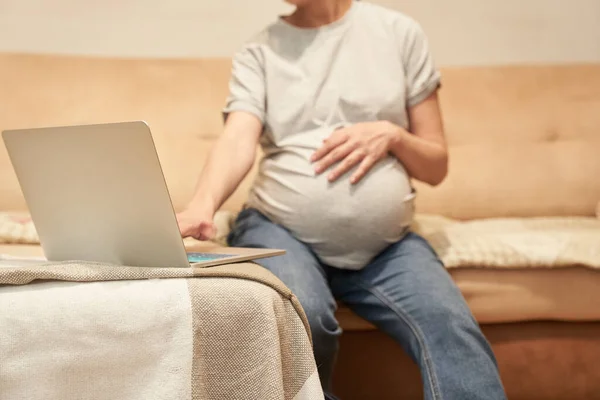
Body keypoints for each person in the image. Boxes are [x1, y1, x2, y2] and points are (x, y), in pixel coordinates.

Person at [177, 0, 507, 398]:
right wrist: (203, 204)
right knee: (304, 317)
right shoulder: (260, 51)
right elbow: (237, 139)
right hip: (282, 232)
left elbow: (436, 166)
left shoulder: (398, 33)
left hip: (387, 247)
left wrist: (394, 135)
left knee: (451, 325)